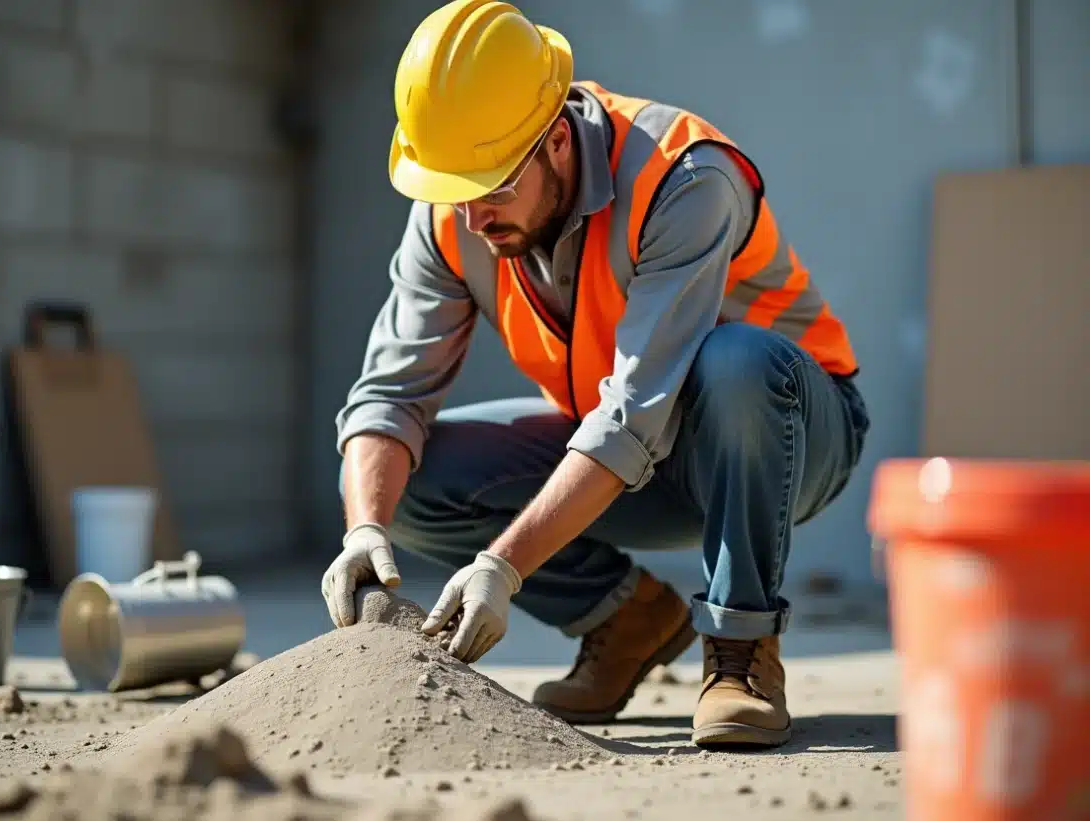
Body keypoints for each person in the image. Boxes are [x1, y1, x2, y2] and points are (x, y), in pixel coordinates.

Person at [322, 0, 870, 749]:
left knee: (735, 361)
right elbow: (389, 395)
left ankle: (740, 652)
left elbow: (637, 412)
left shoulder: (683, 174)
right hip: (628, 450)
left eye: (492, 189)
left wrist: (503, 566)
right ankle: (625, 618)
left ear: (554, 142)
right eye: (456, 191)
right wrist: (364, 528)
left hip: (783, 435)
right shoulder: (453, 210)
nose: (474, 218)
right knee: (411, 480)